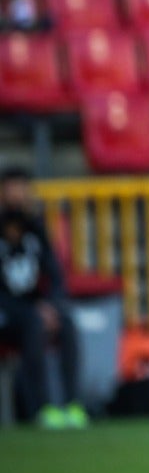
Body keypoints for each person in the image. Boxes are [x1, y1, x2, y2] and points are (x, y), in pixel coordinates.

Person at [0, 168, 85, 428]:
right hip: (7, 313)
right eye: (12, 188)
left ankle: (72, 405)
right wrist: (32, 311)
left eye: (22, 188)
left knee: (67, 323)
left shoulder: (36, 229)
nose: (17, 194)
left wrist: (52, 305)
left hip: (35, 309)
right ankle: (41, 407)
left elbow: (55, 274)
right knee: (34, 324)